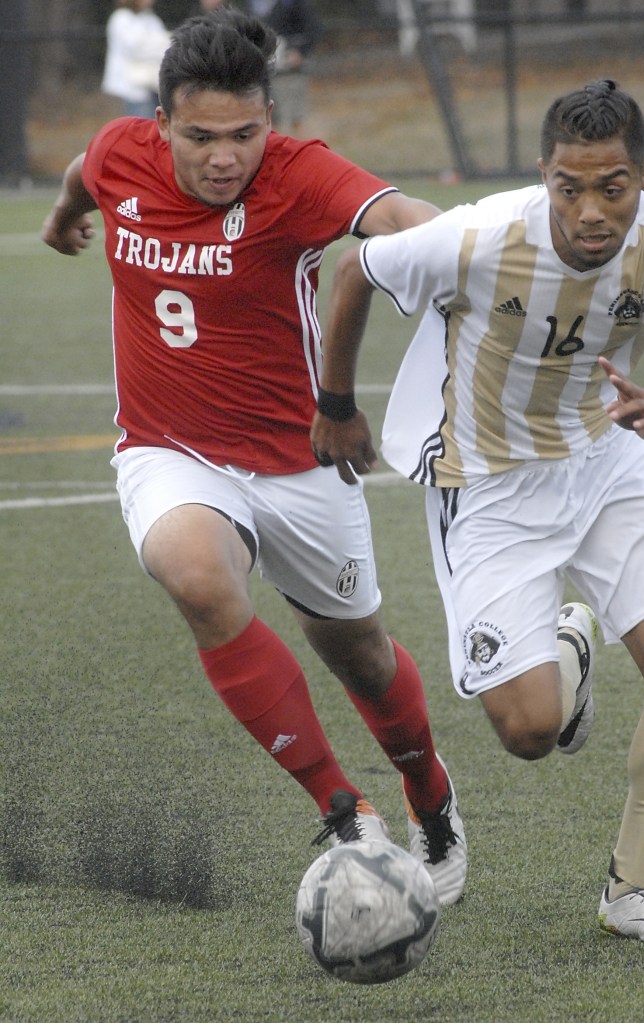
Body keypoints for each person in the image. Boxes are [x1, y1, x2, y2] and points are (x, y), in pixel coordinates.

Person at [41, 7, 467, 907]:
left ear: (268, 120)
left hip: (299, 460)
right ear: (162, 127)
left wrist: (476, 250)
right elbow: (88, 170)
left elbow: (393, 213)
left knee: (362, 657)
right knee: (197, 575)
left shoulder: (297, 173)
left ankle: (428, 791)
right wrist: (63, 215)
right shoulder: (124, 153)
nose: (224, 156)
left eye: (244, 132)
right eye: (200, 137)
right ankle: (343, 807)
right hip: (170, 451)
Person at [312, 80, 644, 942]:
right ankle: (571, 652)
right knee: (529, 731)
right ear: (543, 174)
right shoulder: (480, 235)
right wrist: (335, 401)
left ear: (641, 177)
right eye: (567, 186)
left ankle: (635, 892)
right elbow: (355, 267)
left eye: (611, 186)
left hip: (607, 458)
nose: (588, 210)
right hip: (487, 481)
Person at [248, 0, 322, 135]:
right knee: (272, 114)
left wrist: (300, 51)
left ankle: (302, 150)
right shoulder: (257, 5)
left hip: (291, 70)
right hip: (269, 69)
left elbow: (314, 27)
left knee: (296, 115)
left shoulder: (293, 4)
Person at [102, 0, 171, 120]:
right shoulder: (121, 18)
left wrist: (156, 44)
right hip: (129, 88)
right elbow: (136, 48)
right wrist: (157, 44)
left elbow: (166, 45)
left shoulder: (151, 18)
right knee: (135, 128)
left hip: (151, 86)